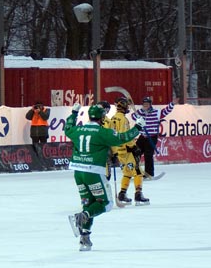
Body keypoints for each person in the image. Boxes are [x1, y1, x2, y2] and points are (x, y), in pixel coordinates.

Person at [65, 103, 146, 251]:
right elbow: (122, 137)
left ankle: (85, 238)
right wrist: (138, 128)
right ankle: (83, 217)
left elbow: (67, 128)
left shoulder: (77, 130)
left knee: (88, 203)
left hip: (78, 172)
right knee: (105, 204)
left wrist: (73, 113)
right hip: (93, 172)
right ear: (102, 117)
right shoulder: (102, 132)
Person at [112, 97, 148, 205]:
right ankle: (138, 194)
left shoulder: (113, 118)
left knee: (127, 172)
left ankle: (122, 194)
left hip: (118, 151)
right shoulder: (123, 119)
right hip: (126, 150)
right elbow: (125, 136)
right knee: (138, 172)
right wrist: (133, 147)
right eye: (127, 106)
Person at [133, 95, 176, 179]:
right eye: (144, 104)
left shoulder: (156, 112)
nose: (145, 106)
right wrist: (137, 115)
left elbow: (165, 112)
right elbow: (133, 117)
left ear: (150, 104)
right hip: (142, 136)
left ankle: (149, 174)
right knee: (135, 153)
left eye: (147, 104)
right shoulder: (140, 112)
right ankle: (136, 172)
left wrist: (172, 104)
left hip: (151, 137)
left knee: (148, 155)